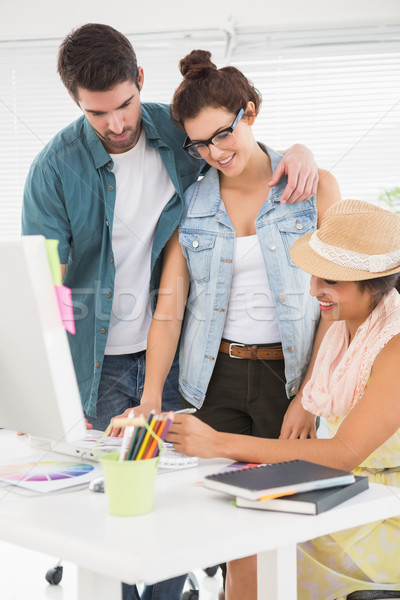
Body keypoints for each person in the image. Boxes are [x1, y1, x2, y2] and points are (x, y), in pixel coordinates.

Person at [20, 25, 318, 600]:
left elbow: (240, 151)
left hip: (182, 360)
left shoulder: (178, 131)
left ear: (139, 80)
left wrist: (299, 153)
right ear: (76, 103)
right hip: (100, 366)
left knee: (178, 518)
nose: (116, 124)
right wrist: (48, 387)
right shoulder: (53, 171)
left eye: (124, 106)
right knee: (116, 518)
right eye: (97, 113)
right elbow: (44, 286)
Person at [167, 199, 400, 600]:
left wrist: (218, 442)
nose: (314, 291)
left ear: (375, 283)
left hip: (381, 514)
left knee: (251, 550)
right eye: (314, 277)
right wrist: (304, 404)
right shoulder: (347, 324)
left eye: (330, 282)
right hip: (347, 490)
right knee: (242, 537)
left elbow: (344, 452)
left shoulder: (393, 346)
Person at [111, 49, 340, 445]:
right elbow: (169, 311)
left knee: (283, 494)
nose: (215, 152)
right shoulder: (190, 205)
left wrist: (308, 397)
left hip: (290, 380)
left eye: (223, 133)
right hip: (210, 380)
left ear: (248, 114)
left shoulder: (315, 188)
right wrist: (150, 397)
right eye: (200, 144)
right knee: (211, 496)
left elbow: (335, 305)